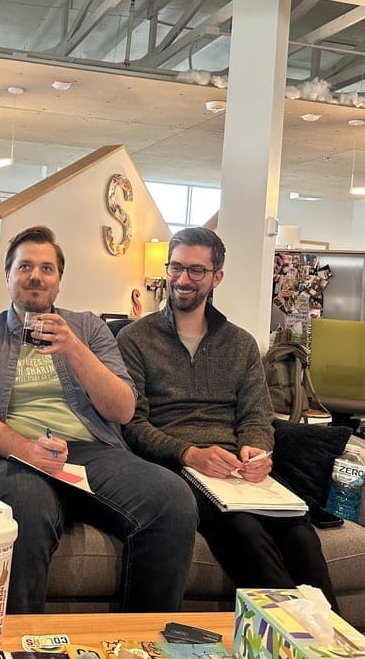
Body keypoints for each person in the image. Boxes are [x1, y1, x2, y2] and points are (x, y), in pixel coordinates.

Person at [0, 225, 198, 613]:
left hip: (90, 453)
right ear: (8, 276)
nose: (36, 276)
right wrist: (28, 451)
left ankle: (140, 638)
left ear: (59, 280)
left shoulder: (88, 328)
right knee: (27, 503)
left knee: (173, 499)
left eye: (46, 268)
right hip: (7, 456)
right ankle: (21, 641)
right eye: (25, 266)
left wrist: (75, 350)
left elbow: (123, 409)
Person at [117, 226, 338, 608]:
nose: (183, 279)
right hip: (176, 467)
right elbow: (132, 424)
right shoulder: (135, 339)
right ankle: (287, 632)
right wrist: (189, 453)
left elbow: (256, 414)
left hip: (236, 467)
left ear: (216, 276)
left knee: (301, 536)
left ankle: (333, 636)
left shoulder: (241, 343)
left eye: (196, 270)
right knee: (245, 533)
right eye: (176, 267)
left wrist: (257, 450)